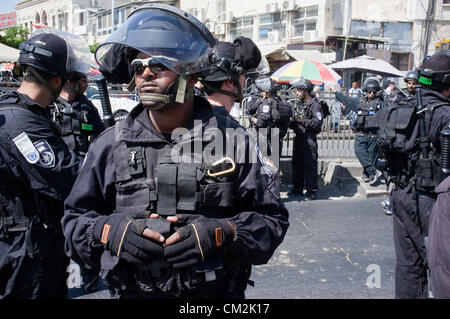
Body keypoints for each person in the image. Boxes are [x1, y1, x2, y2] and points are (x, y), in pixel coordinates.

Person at [61, 4, 289, 299]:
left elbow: (271, 222)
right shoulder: (109, 144)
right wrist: (110, 231)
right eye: (137, 67)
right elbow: (73, 222)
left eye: (158, 64)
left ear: (192, 74)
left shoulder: (233, 140)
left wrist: (222, 232)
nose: (146, 74)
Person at [0, 28, 91, 298]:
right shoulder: (20, 122)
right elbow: (67, 177)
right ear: (55, 78)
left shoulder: (25, 113)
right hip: (26, 253)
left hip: (31, 245)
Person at [376, 50, 450, 298]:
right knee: (440, 267)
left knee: (409, 266)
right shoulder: (444, 114)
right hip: (431, 202)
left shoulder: (400, 106)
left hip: (399, 194)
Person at [334, 77, 385, 185]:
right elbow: (347, 100)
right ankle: (373, 171)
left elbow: (387, 117)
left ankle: (369, 174)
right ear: (365, 91)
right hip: (361, 132)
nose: (371, 94)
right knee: (359, 151)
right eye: (369, 92)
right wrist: (336, 93)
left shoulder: (381, 103)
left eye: (373, 92)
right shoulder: (359, 101)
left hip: (374, 134)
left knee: (371, 155)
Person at [50, 72, 105, 160]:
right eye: (83, 80)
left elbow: (100, 132)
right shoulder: (51, 105)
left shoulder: (87, 106)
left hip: (83, 161)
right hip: (59, 161)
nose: (87, 83)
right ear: (69, 82)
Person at [288, 78, 326, 200]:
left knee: (310, 165)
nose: (297, 93)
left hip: (309, 139)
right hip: (298, 138)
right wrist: (291, 121)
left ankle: (311, 190)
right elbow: (296, 121)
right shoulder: (300, 104)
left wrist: (300, 120)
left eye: (299, 90)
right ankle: (297, 188)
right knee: (296, 163)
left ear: (305, 91)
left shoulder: (315, 105)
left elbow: (316, 123)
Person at [247, 76, 292, 157]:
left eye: (263, 91)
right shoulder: (280, 101)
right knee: (275, 164)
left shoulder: (266, 103)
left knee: (263, 164)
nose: (261, 93)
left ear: (267, 92)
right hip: (277, 137)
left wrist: (251, 118)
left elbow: (261, 123)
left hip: (265, 137)